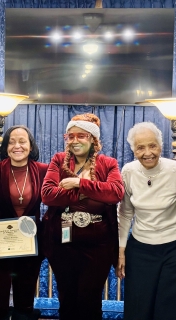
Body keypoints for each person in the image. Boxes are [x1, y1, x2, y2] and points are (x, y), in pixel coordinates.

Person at [41, 113, 124, 320]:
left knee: (90, 302)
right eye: (70, 136)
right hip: (62, 244)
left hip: (99, 247)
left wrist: (79, 184)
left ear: (93, 140)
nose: (74, 141)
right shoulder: (59, 160)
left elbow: (115, 193)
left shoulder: (109, 163)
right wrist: (95, 191)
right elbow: (48, 195)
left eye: (81, 136)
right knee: (67, 300)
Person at [117, 122, 176, 320]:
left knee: (168, 307)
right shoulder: (128, 172)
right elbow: (125, 214)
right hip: (140, 248)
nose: (148, 152)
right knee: (138, 306)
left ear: (161, 145)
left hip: (175, 247)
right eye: (140, 147)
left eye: (152, 145)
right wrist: (121, 251)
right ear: (133, 149)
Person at [0, 125, 48, 320]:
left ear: (30, 145)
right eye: (12, 141)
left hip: (29, 247)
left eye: (22, 141)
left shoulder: (43, 170)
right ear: (6, 146)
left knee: (24, 305)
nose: (17, 146)